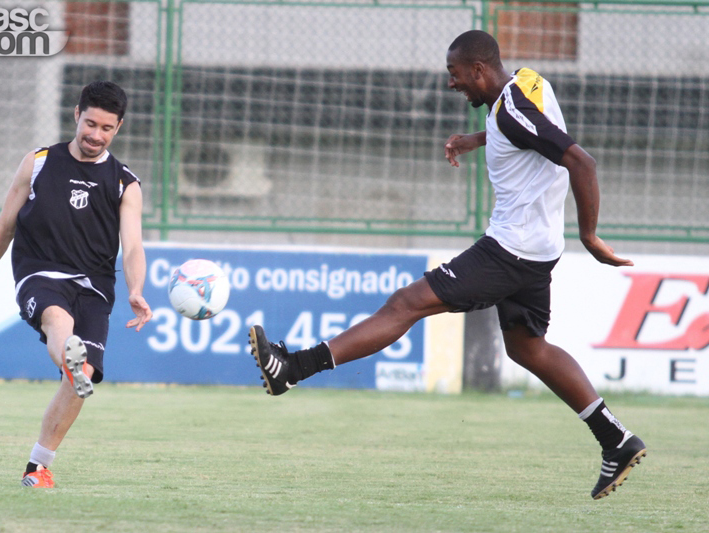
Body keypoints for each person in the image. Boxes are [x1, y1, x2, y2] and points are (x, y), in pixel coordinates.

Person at [248, 30, 646, 500]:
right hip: (535, 248)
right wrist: (476, 139)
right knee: (528, 348)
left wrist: (590, 236)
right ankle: (615, 440)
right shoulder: (526, 84)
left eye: (455, 75)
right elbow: (523, 124)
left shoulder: (513, 110)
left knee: (406, 303)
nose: (452, 84)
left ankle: (292, 368)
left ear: (479, 69)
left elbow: (582, 162)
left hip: (511, 249)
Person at [0, 80, 153, 488]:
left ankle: (37, 466)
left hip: (96, 288)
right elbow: (5, 225)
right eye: (91, 123)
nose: (96, 135)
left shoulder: (124, 183)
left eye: (107, 128)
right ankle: (69, 355)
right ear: (76, 114)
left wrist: (135, 289)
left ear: (119, 128)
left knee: (79, 384)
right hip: (40, 272)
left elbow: (132, 247)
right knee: (56, 319)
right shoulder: (39, 162)